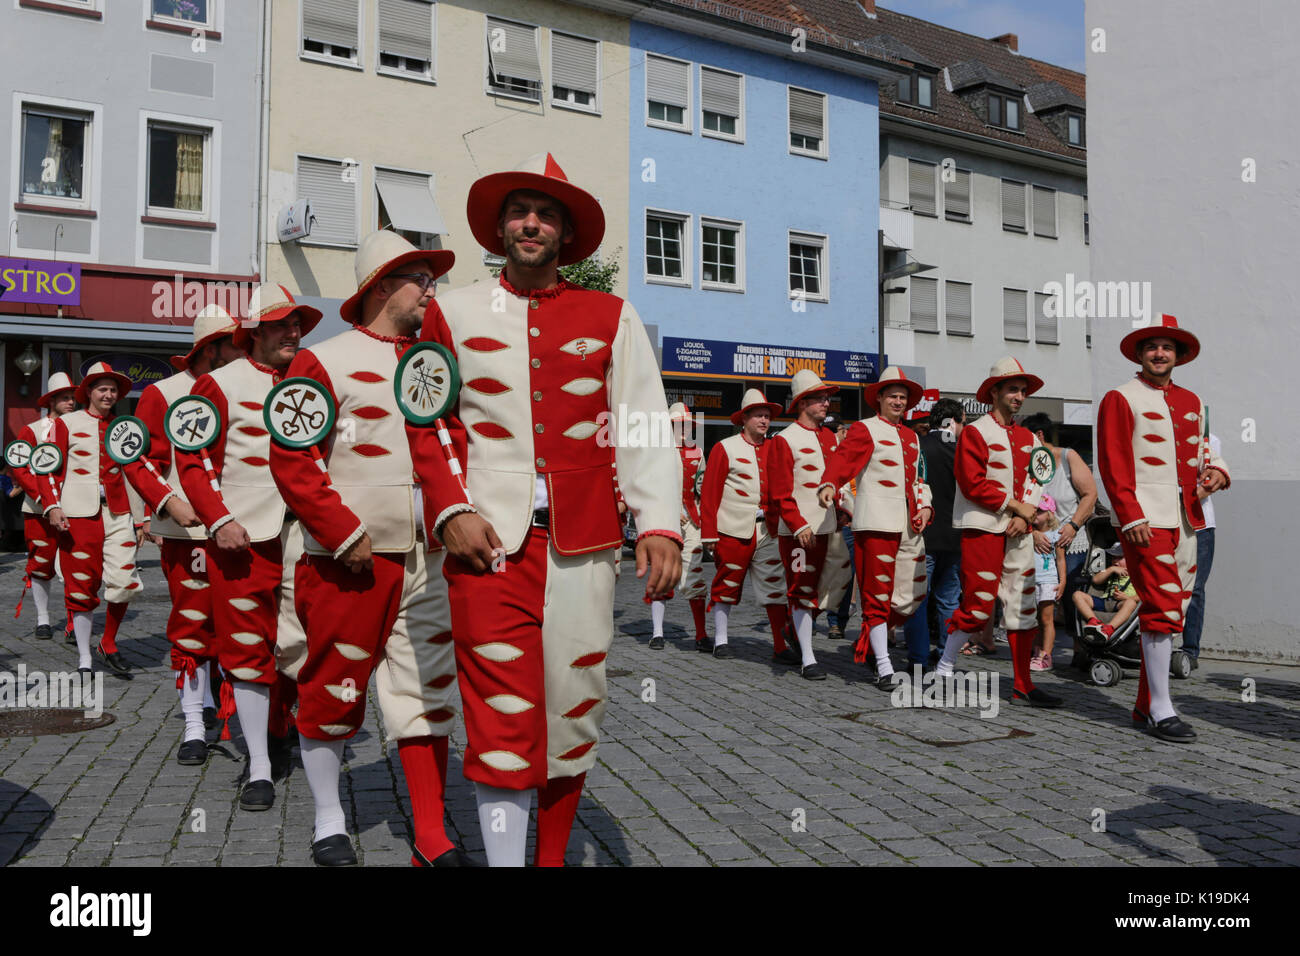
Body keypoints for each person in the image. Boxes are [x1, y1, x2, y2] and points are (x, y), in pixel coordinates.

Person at [405, 154, 681, 867]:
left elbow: (643, 423)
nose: (532, 223)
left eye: (547, 213)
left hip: (582, 545)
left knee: (572, 700)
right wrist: (449, 511)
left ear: (566, 233)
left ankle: (551, 859)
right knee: (499, 707)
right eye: (521, 211)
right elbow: (426, 422)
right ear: (499, 226)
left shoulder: (612, 316)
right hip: (484, 543)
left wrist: (658, 523)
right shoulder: (451, 310)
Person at [270, 231, 471, 867]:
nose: (430, 289)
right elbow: (292, 458)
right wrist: (342, 532)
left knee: (429, 690)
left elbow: (452, 447)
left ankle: (433, 836)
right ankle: (329, 820)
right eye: (419, 277)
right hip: (349, 560)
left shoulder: (433, 362)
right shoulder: (322, 359)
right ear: (383, 285)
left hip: (426, 558)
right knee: (332, 685)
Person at [176, 284, 320, 811]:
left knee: (298, 645)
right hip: (242, 538)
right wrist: (218, 519)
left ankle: (285, 732)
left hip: (307, 536)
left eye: (298, 322)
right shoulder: (218, 384)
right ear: (254, 331)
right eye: (282, 323)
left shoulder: (312, 377)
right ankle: (259, 763)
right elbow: (192, 460)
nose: (294, 331)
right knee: (245, 648)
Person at [1097, 314, 1228, 742]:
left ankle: (1143, 705)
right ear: (1139, 353)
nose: (1159, 353)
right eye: (1152, 346)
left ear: (1178, 355)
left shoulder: (1194, 401)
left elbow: (1207, 451)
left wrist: (1218, 473)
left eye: (1167, 347)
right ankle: (1160, 709)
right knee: (1164, 605)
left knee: (1179, 605)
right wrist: (1130, 514)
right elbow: (1113, 461)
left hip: (1189, 516)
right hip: (1146, 519)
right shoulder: (1120, 397)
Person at [122, 305, 241, 765]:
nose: (243, 351)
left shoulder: (248, 386)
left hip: (245, 526)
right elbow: (140, 458)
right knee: (193, 625)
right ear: (211, 348)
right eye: (234, 343)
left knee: (242, 623)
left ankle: (244, 714)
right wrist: (169, 500)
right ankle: (195, 722)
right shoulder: (162, 392)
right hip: (186, 531)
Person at [938, 357, 1061, 707]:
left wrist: (1026, 515)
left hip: (1018, 531)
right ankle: (945, 665)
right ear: (994, 392)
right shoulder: (976, 431)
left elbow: (1039, 477)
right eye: (1012, 389)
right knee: (978, 604)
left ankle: (1023, 685)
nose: (1019, 396)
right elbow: (971, 481)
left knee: (1024, 605)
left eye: (1023, 391)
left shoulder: (1026, 436)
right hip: (983, 528)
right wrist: (1016, 507)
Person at [818, 367, 932, 690]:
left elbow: (918, 479)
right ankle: (884, 666)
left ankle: (870, 641)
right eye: (892, 396)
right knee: (877, 595)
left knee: (912, 593)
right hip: (876, 524)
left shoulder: (912, 437)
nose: (898, 401)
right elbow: (844, 460)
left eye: (902, 397)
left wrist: (925, 506)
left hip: (908, 526)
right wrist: (830, 483)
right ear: (879, 398)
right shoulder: (864, 429)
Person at [37, 363, 146, 679]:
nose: (109, 394)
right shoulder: (67, 423)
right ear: (89, 392)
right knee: (83, 586)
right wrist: (52, 506)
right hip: (77, 513)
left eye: (113, 389)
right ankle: (85, 655)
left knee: (125, 581)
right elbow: (47, 468)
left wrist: (142, 519)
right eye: (102, 389)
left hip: (118, 512)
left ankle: (108, 641)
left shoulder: (125, 427)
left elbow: (135, 474)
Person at [698, 389, 791, 660]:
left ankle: (780, 645)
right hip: (732, 529)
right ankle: (721, 640)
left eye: (767, 416)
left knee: (775, 586)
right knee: (727, 583)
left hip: (768, 528)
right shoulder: (724, 447)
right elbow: (710, 494)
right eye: (758, 415)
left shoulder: (776, 447)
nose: (764, 420)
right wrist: (709, 533)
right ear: (744, 418)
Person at [768, 369, 841, 681]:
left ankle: (793, 628)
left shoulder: (829, 437)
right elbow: (780, 493)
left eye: (826, 398)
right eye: (819, 398)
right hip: (799, 533)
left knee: (837, 584)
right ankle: (808, 658)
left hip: (831, 527)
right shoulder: (784, 440)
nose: (826, 403)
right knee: (801, 589)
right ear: (802, 402)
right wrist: (798, 525)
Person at [11, 372, 77, 640]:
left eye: (73, 398)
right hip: (38, 509)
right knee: (41, 563)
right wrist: (43, 499)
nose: (71, 402)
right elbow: (22, 469)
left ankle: (74, 620)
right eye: (65, 398)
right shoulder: (33, 430)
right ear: (52, 402)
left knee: (76, 564)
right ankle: (43, 619)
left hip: (75, 507)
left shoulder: (79, 427)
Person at [901, 398, 965, 669]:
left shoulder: (919, 445)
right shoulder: (963, 449)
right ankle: (944, 654)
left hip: (922, 533)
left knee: (917, 598)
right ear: (952, 421)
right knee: (949, 599)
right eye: (963, 421)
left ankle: (916, 657)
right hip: (955, 535)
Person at [647, 402, 707, 649]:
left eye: (687, 425)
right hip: (663, 522)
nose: (683, 430)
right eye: (678, 425)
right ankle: (658, 633)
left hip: (693, 522)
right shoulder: (655, 453)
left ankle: (701, 634)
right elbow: (648, 489)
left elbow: (703, 488)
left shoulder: (698, 452)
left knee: (694, 574)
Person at [1019, 412, 1097, 585]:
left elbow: (1090, 494)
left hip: (1070, 544)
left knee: (1070, 598)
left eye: (1025, 438)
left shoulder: (1068, 457)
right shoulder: (1025, 466)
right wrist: (1034, 533)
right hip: (1039, 546)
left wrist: (1073, 526)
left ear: (1039, 435)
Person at [1180, 432, 1221, 670]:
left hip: (1201, 524)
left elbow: (1209, 483)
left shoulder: (1209, 441)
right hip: (1171, 522)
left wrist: (1178, 503)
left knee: (1195, 588)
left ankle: (1189, 651)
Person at [822, 414, 856, 641]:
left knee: (848, 574)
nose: (838, 435)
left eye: (840, 430)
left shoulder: (855, 457)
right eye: (831, 430)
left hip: (852, 523)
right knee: (828, 573)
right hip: (827, 522)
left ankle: (838, 621)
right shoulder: (823, 457)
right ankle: (826, 617)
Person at [1030, 494, 1066, 670]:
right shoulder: (1029, 533)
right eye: (1035, 510)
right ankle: (1036, 651)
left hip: (1048, 580)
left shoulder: (1055, 535)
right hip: (1031, 580)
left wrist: (1063, 581)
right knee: (1035, 619)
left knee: (1046, 619)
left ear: (1050, 514)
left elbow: (1060, 560)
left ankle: (1046, 655)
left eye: (1041, 511)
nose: (1036, 514)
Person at [1072, 552, 1139, 638]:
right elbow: (1095, 580)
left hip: (1120, 603)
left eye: (1120, 558)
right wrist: (1111, 569)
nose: (1115, 561)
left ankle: (1109, 628)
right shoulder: (1111, 571)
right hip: (1105, 600)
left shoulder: (1137, 574)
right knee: (1077, 595)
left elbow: (1143, 596)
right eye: (1113, 558)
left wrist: (1127, 598)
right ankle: (1093, 620)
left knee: (1131, 603)